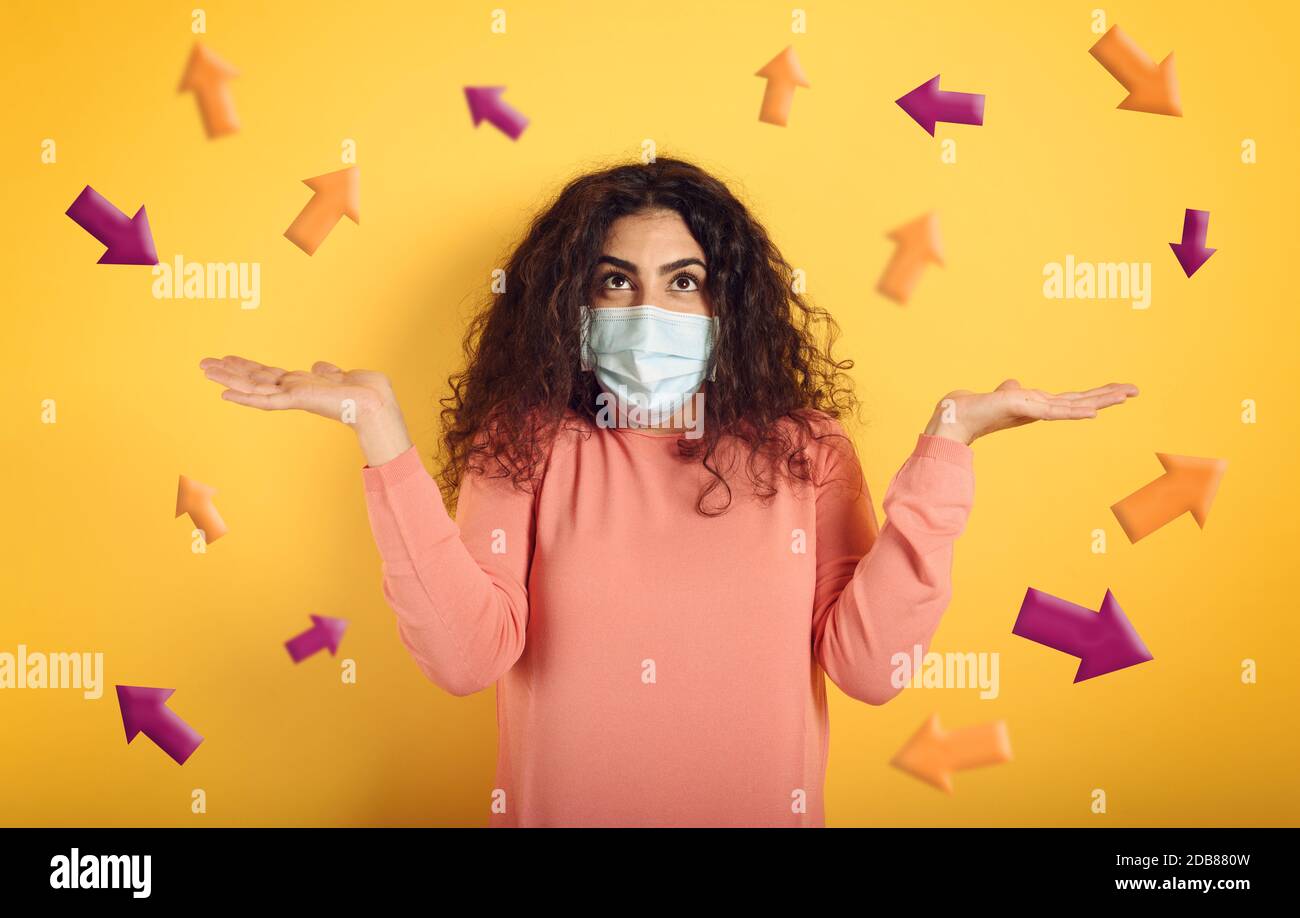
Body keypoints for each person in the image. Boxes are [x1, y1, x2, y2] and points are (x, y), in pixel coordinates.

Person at [199, 157, 1137, 826]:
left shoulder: (806, 450)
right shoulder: (521, 444)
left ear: (727, 305)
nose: (649, 309)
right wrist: (380, 430)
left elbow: (868, 670)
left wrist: (949, 446)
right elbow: (464, 659)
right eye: (618, 281)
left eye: (683, 281)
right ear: (572, 305)